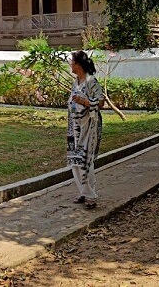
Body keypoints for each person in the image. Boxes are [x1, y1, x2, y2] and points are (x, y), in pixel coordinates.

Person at [67, 50, 104, 209]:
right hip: (74, 128)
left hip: (89, 127)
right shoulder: (76, 82)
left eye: (73, 62)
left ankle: (91, 196)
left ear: (79, 65)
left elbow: (101, 102)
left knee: (85, 161)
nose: (71, 65)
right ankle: (83, 191)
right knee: (75, 160)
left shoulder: (91, 82)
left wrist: (85, 101)